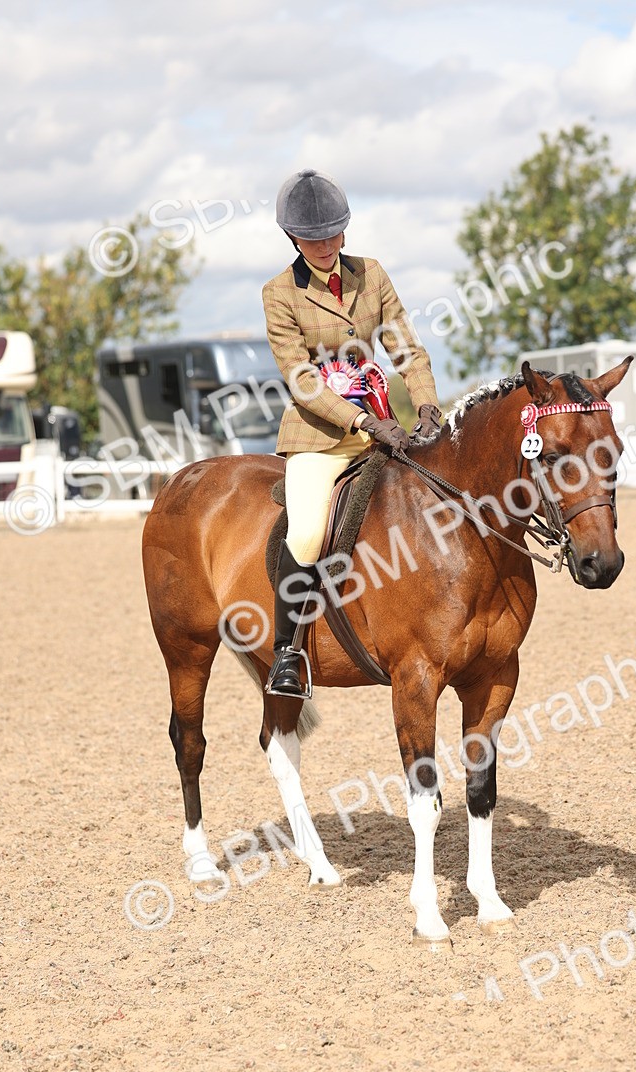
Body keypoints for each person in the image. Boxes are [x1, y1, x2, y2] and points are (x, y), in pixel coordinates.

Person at [262, 168, 443, 697]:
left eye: (333, 234)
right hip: (319, 436)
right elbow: (301, 379)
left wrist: (427, 405)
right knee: (307, 533)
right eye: (312, 239)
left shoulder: (372, 273)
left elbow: (407, 348)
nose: (325, 246)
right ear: (293, 238)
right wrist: (362, 420)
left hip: (385, 426)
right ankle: (287, 654)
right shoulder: (279, 293)